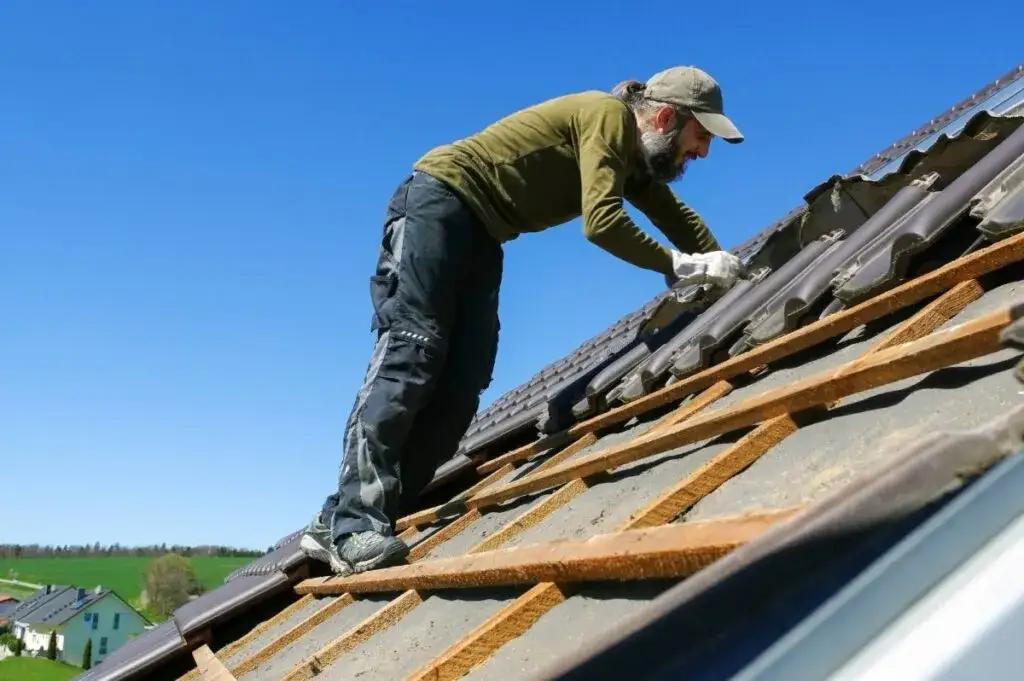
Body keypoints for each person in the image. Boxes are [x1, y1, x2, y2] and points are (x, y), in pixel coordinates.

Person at [300, 65, 747, 575]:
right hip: (439, 202)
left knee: (463, 383)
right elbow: (601, 222)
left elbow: (678, 220)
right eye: (701, 135)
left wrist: (733, 271)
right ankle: (356, 524)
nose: (703, 152)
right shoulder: (605, 117)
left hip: (484, 233)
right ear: (666, 116)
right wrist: (681, 265)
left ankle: (338, 518)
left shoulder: (636, 162)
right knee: (413, 349)